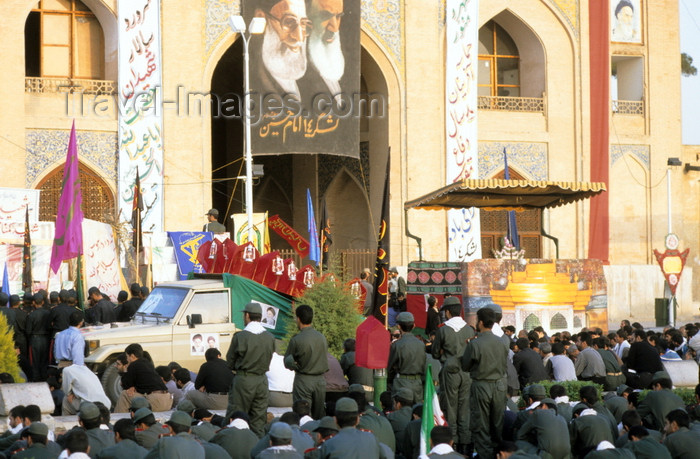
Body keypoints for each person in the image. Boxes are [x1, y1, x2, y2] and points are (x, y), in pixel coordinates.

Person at [461, 306, 508, 459]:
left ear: (480, 322)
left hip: (482, 384)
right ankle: (498, 454)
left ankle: (485, 455)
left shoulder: (475, 344)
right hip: (500, 384)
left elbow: (465, 365)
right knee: (497, 423)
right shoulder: (503, 342)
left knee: (481, 425)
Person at [431, 296, 474, 453]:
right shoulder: (470, 329)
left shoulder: (443, 329)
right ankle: (465, 444)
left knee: (450, 408)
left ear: (447, 312)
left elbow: (435, 353)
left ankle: (453, 442)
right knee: (464, 409)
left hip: (450, 372)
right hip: (467, 373)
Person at [227, 302, 275, 437]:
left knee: (237, 417)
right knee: (259, 419)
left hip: (244, 379)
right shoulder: (270, 337)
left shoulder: (240, 337)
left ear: (247, 315)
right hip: (262, 380)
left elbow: (230, 361)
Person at [252, 0, 310, 101]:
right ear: (261, 17)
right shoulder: (251, 78)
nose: (299, 37)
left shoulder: (313, 80)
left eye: (303, 24)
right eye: (289, 22)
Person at [284, 304, 329, 420]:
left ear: (298, 319)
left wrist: (295, 366)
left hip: (304, 380)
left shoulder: (297, 339)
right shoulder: (321, 337)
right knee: (319, 416)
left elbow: (287, 361)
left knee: (302, 415)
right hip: (320, 381)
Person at [318, 397, 387, 458]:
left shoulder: (329, 444)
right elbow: (388, 454)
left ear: (335, 420)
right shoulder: (372, 439)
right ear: (358, 420)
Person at [114, 343, 171, 413]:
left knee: (125, 394)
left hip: (155, 401)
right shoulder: (148, 364)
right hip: (167, 400)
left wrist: (126, 369)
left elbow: (125, 384)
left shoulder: (133, 365)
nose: (127, 359)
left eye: (127, 356)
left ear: (132, 356)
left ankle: (118, 419)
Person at [387, 311, 426, 404]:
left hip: (401, 382)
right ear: (414, 326)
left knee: (400, 413)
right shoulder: (421, 344)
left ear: (399, 327)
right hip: (417, 383)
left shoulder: (397, 345)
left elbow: (389, 367)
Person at [25, 292, 50, 381]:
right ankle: (44, 377)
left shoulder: (31, 315)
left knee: (34, 360)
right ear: (42, 302)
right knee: (44, 359)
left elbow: (28, 331)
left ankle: (36, 378)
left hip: (35, 339)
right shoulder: (48, 313)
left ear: (34, 302)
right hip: (46, 338)